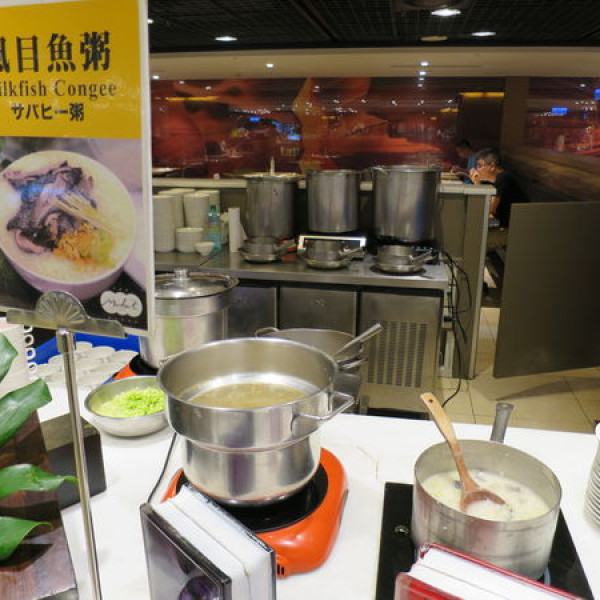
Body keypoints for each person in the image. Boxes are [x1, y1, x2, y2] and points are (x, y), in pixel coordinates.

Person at [469, 148, 530, 229]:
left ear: (492, 166)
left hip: (517, 227)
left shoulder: (503, 178)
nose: (477, 170)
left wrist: (477, 184)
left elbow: (490, 210)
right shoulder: (495, 180)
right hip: (507, 223)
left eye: (480, 166)